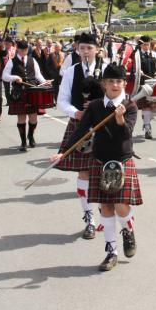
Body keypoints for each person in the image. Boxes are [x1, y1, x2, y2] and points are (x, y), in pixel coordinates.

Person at [51, 63, 141, 272]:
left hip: (121, 160)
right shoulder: (95, 106)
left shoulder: (130, 106)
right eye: (110, 81)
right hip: (99, 160)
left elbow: (126, 133)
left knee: (121, 205)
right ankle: (111, 252)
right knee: (106, 207)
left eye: (118, 81)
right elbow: (80, 131)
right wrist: (63, 152)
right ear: (104, 84)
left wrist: (119, 118)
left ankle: (128, 230)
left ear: (124, 84)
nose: (115, 85)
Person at [55, 33, 104, 238]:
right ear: (77, 49)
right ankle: (89, 219)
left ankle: (104, 212)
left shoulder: (106, 68)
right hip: (80, 125)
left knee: (103, 173)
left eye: (89, 48)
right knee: (84, 173)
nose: (85, 52)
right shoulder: (71, 72)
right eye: (82, 48)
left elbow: (118, 97)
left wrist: (100, 106)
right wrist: (76, 113)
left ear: (97, 49)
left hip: (103, 125)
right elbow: (61, 101)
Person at [2, 39, 51, 152]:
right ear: (17, 49)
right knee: (22, 117)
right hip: (19, 92)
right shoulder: (12, 61)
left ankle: (30, 136)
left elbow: (38, 75)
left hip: (32, 91)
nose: (24, 52)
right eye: (22, 50)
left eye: (25, 50)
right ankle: (23, 142)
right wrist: (15, 78)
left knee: (33, 118)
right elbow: (4, 76)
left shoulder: (32, 60)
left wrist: (45, 81)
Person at [135, 35, 156, 139]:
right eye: (144, 45)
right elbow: (133, 67)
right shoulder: (137, 55)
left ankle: (146, 120)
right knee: (146, 106)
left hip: (153, 82)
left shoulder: (154, 54)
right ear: (141, 44)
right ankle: (147, 128)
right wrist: (138, 70)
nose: (146, 47)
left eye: (148, 44)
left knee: (153, 108)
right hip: (142, 83)